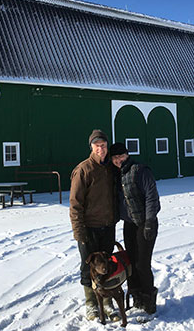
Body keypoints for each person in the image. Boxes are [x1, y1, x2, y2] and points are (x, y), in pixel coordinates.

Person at [69, 129, 119, 321]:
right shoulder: (83, 170)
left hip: (107, 226)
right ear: (91, 147)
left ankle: (107, 302)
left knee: (107, 265)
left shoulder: (110, 168)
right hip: (89, 228)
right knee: (87, 266)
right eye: (97, 146)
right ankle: (91, 303)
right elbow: (75, 205)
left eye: (104, 145)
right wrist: (79, 232)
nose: (101, 149)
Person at [109, 142, 160, 314]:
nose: (118, 160)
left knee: (142, 264)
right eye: (115, 158)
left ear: (127, 155)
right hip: (129, 224)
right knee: (130, 263)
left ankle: (149, 302)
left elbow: (152, 197)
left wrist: (150, 222)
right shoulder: (117, 174)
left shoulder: (139, 170)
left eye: (121, 156)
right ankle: (137, 297)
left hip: (145, 223)